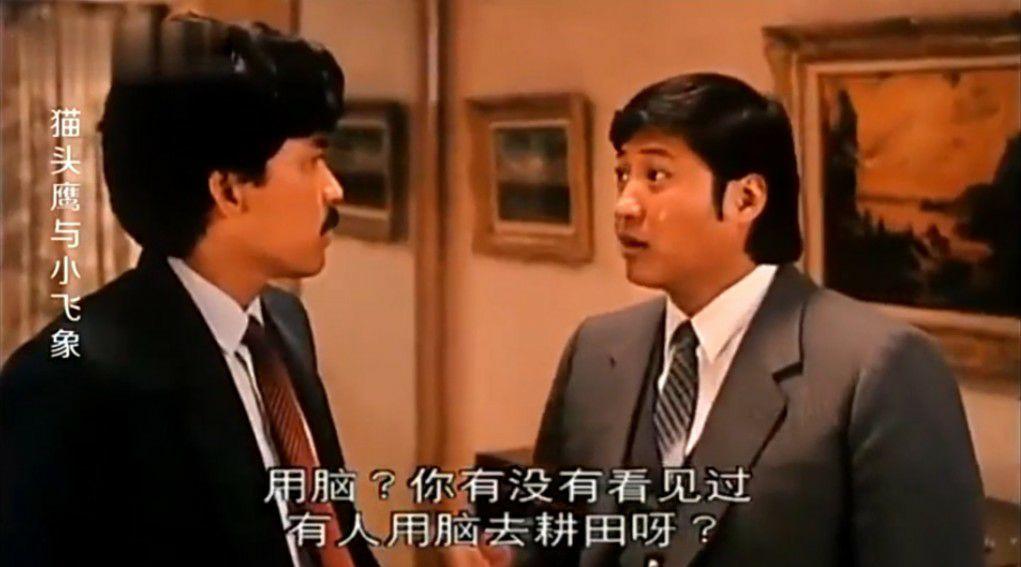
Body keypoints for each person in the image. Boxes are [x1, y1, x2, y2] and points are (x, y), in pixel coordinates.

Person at [521, 73, 985, 566]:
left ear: (746, 199)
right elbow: (554, 535)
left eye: (655, 176)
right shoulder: (598, 349)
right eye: (622, 175)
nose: (624, 206)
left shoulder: (877, 367)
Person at [0, 15, 377, 567]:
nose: (333, 189)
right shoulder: (70, 383)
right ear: (228, 190)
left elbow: (330, 541)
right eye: (312, 161)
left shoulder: (283, 326)